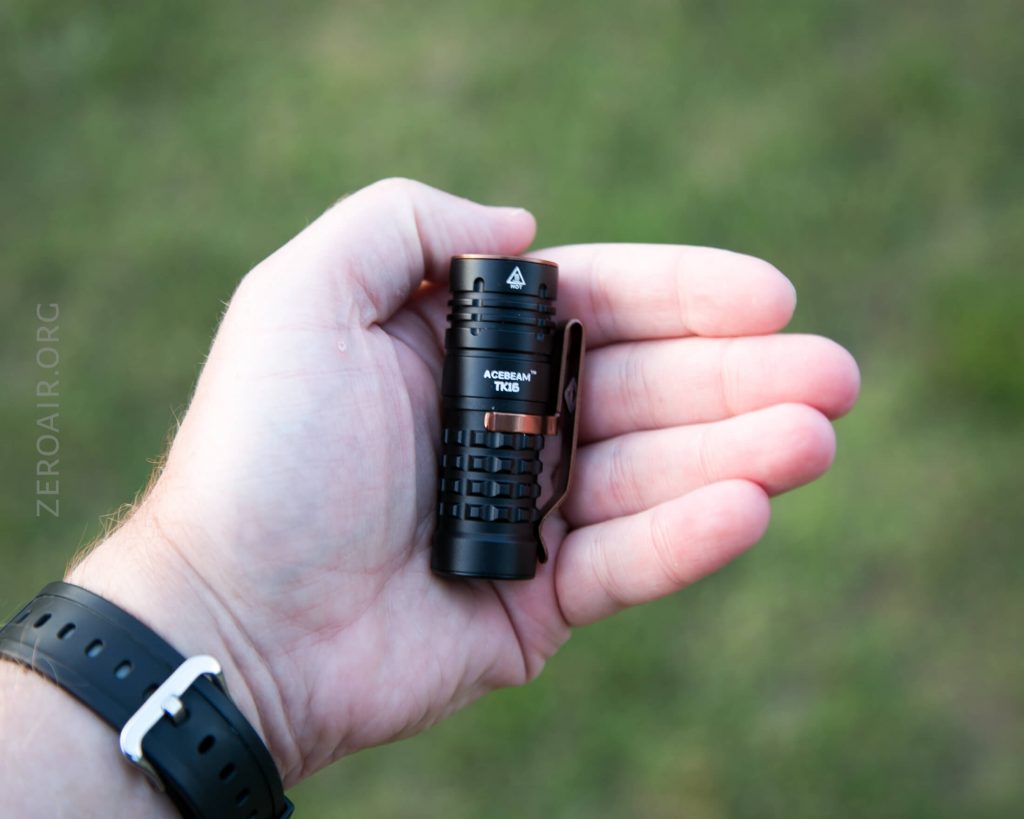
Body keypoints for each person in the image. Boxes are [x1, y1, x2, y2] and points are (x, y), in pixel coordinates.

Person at [0, 179, 859, 816]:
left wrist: (211, 618)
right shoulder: (495, 340)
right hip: (474, 532)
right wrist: (218, 608)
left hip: (491, 531)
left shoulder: (514, 337)